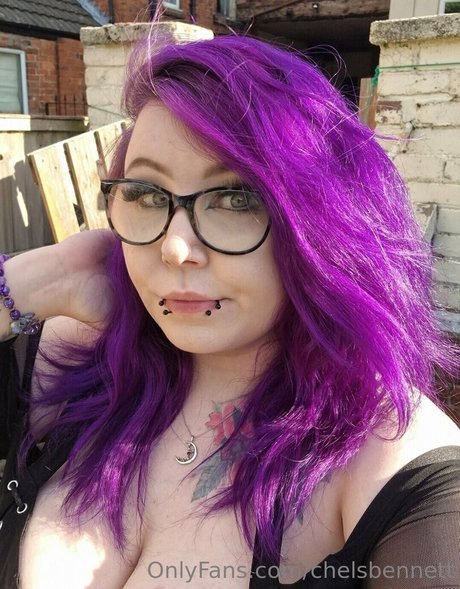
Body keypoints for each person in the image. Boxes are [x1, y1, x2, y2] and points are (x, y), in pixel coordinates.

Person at [0, 30, 459, 589]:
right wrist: (39, 279)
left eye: (236, 198)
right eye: (146, 194)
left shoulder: (390, 459)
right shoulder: (73, 355)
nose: (174, 248)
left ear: (324, 225)